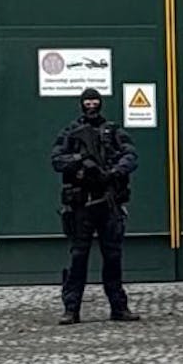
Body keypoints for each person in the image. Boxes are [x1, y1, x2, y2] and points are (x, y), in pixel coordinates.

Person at [51, 88, 140, 324]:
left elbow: (131, 155)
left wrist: (113, 171)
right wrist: (81, 161)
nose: (91, 105)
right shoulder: (70, 132)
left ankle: (119, 308)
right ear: (81, 104)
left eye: (95, 101)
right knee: (78, 258)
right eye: (87, 101)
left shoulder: (113, 131)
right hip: (81, 205)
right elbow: (57, 160)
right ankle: (71, 309)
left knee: (113, 257)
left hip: (109, 201)